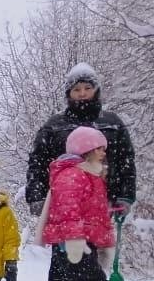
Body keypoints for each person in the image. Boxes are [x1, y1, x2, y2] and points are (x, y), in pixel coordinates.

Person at [35, 127, 140, 281]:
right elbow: (67, 209)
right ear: (87, 149)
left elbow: (91, 211)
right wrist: (74, 238)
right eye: (100, 148)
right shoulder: (73, 175)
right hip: (74, 240)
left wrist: (106, 233)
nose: (103, 153)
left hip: (78, 239)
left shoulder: (90, 175)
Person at [26, 63, 135, 217]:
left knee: (99, 239)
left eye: (87, 88)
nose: (82, 93)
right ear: (69, 93)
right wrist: (37, 197)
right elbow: (38, 163)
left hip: (104, 203)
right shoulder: (54, 126)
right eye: (77, 89)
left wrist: (125, 196)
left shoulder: (113, 123)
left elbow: (126, 161)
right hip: (64, 204)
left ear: (96, 90)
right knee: (69, 240)